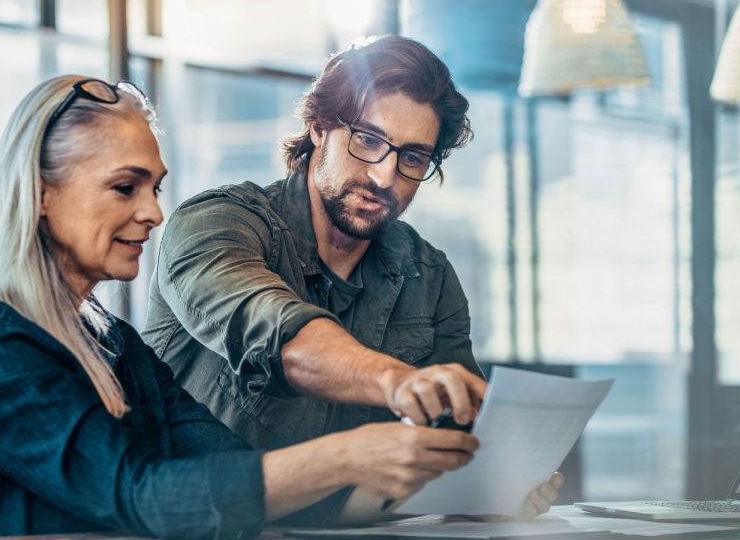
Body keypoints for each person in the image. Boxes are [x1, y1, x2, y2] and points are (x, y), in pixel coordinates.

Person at [0, 76, 556, 540]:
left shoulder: (109, 339)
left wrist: (428, 473)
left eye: (154, 187)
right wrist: (352, 451)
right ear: (38, 192)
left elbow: (222, 465)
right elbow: (144, 496)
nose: (151, 212)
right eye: (123, 187)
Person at [142, 36, 492, 463]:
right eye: (368, 140)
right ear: (320, 126)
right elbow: (275, 332)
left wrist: (499, 480)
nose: (385, 177)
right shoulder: (215, 224)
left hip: (359, 526)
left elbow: (458, 427)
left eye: (413, 158)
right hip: (199, 525)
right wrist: (394, 380)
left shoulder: (429, 275)